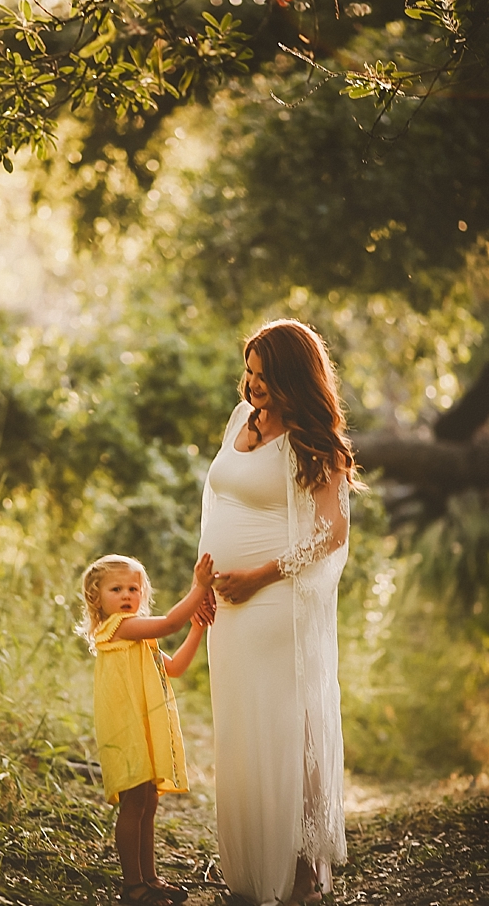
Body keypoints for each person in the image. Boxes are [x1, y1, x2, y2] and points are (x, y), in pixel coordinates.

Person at [196, 316, 355, 903]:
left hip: (275, 604)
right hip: (229, 607)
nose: (252, 384)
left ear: (293, 375)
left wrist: (262, 575)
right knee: (241, 728)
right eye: (249, 370)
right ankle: (250, 868)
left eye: (264, 375)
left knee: (284, 727)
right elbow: (216, 500)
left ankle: (297, 872)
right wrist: (204, 582)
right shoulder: (243, 419)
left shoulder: (316, 440)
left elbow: (330, 533)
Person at [80, 549, 211, 899]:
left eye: (133, 589)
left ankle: (149, 879)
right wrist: (199, 587)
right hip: (126, 730)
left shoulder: (139, 635)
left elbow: (176, 667)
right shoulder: (119, 628)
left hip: (144, 728)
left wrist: (198, 628)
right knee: (134, 803)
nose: (126, 596)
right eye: (116, 589)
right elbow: (169, 622)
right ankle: (133, 885)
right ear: (97, 599)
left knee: (148, 803)